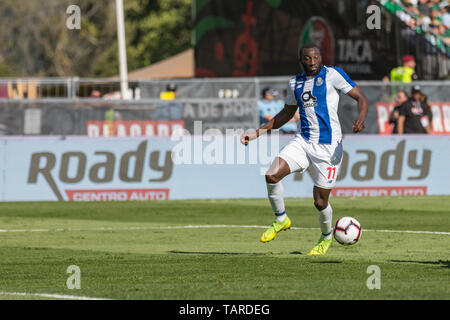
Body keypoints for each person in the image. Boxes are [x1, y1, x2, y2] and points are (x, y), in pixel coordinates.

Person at [240, 44, 368, 255]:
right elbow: (286, 114)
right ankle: (281, 219)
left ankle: (326, 237)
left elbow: (360, 98)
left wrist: (361, 118)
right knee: (271, 175)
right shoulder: (295, 83)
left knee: (320, 202)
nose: (313, 62)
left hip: (328, 148)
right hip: (303, 141)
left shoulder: (333, 75)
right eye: (308, 58)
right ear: (301, 60)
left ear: (321, 57)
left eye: (316, 57)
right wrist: (257, 133)